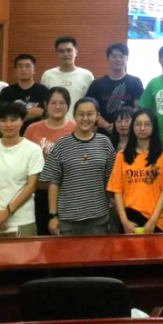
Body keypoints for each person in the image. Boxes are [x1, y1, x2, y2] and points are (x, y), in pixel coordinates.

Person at [40, 97, 116, 236]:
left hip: (99, 219)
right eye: (81, 114)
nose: (85, 118)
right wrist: (53, 216)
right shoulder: (61, 144)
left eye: (90, 114)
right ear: (74, 116)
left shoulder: (105, 142)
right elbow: (53, 183)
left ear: (97, 116)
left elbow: (111, 181)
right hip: (68, 219)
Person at [0, 101, 44, 239]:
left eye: (13, 119)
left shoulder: (33, 150)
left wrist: (6, 213)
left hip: (22, 221)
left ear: (22, 121)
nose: (8, 124)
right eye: (3, 120)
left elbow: (31, 186)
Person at [108, 109, 163, 233]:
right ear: (132, 127)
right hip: (129, 218)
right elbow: (117, 190)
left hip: (156, 220)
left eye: (147, 124)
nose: (142, 128)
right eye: (138, 124)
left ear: (154, 127)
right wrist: (124, 221)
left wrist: (153, 220)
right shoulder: (121, 155)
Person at [24, 87, 75, 236]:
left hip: (67, 193)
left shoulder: (75, 128)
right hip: (38, 191)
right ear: (46, 105)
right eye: (53, 102)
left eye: (62, 103)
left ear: (68, 105)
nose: (57, 106)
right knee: (42, 236)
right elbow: (24, 159)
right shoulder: (33, 129)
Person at [85, 42, 144, 133]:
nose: (118, 59)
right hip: (103, 133)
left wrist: (126, 125)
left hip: (129, 133)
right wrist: (109, 127)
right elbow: (91, 109)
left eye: (121, 56)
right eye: (114, 56)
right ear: (108, 58)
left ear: (127, 59)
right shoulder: (97, 84)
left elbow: (138, 108)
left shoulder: (135, 82)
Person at [0, 54, 49, 134]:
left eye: (28, 66)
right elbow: (3, 114)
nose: (24, 69)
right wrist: (31, 112)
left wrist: (13, 116)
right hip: (12, 135)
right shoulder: (7, 91)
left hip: (37, 135)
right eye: (20, 66)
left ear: (34, 70)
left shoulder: (42, 90)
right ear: (15, 70)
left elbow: (39, 112)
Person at [41, 35, 95, 108]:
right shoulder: (48, 75)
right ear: (57, 53)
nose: (65, 54)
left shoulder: (86, 75)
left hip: (78, 116)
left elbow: (91, 103)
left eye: (69, 50)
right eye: (61, 51)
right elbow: (43, 102)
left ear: (76, 52)